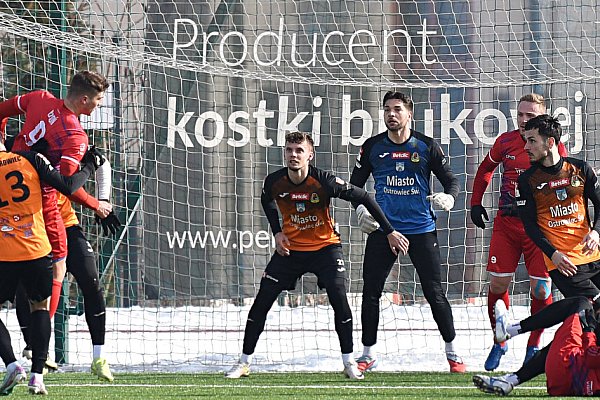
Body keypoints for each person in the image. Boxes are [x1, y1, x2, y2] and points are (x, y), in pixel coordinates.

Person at [225, 131, 409, 380]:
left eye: (299, 150)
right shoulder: (274, 181)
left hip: (326, 249)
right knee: (261, 303)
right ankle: (244, 362)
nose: (293, 155)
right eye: (289, 150)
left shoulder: (324, 181)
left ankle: (349, 362)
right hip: (291, 251)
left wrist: (390, 231)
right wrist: (277, 232)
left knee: (340, 300)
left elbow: (364, 196)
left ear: (310, 155)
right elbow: (266, 200)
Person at [0, 70, 120, 381]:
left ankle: (94, 357)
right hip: (42, 212)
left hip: (33, 210)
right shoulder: (73, 135)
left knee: (86, 279)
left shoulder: (39, 99)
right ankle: (37, 352)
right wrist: (96, 204)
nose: (99, 105)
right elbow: (67, 185)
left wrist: (102, 200)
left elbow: (2, 110)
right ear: (85, 99)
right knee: (53, 270)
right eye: (98, 100)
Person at [349, 91, 466, 373]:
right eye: (387, 109)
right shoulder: (372, 147)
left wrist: (449, 197)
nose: (391, 114)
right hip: (384, 229)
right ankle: (367, 354)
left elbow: (451, 180)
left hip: (421, 229)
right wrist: (360, 209)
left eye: (397, 109)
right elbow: (354, 186)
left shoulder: (426, 146)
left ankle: (453, 353)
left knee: (434, 292)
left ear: (409, 114)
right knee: (371, 292)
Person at [470, 94, 567, 371]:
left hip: (540, 228)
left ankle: (533, 345)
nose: (524, 120)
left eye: (530, 116)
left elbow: (564, 183)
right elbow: (485, 169)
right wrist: (476, 202)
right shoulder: (506, 142)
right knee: (498, 284)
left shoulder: (554, 146)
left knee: (541, 288)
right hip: (507, 224)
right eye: (521, 115)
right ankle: (499, 340)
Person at [0, 140, 96, 395]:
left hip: (4, 253)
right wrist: (89, 167)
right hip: (37, 249)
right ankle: (37, 377)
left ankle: (11, 364)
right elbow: (68, 186)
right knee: (40, 308)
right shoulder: (31, 159)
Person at [517, 114, 600, 311]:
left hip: (593, 256)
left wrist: (596, 232)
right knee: (593, 308)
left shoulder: (580, 169)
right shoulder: (527, 181)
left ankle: (518, 327)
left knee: (589, 319)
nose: (526, 147)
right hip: (564, 264)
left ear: (550, 142)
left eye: (532, 141)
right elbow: (530, 226)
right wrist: (552, 254)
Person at [473, 296, 600, 396]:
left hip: (566, 369)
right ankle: (511, 380)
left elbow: (591, 358)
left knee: (581, 304)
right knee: (571, 347)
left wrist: (589, 330)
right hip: (564, 387)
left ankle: (509, 330)